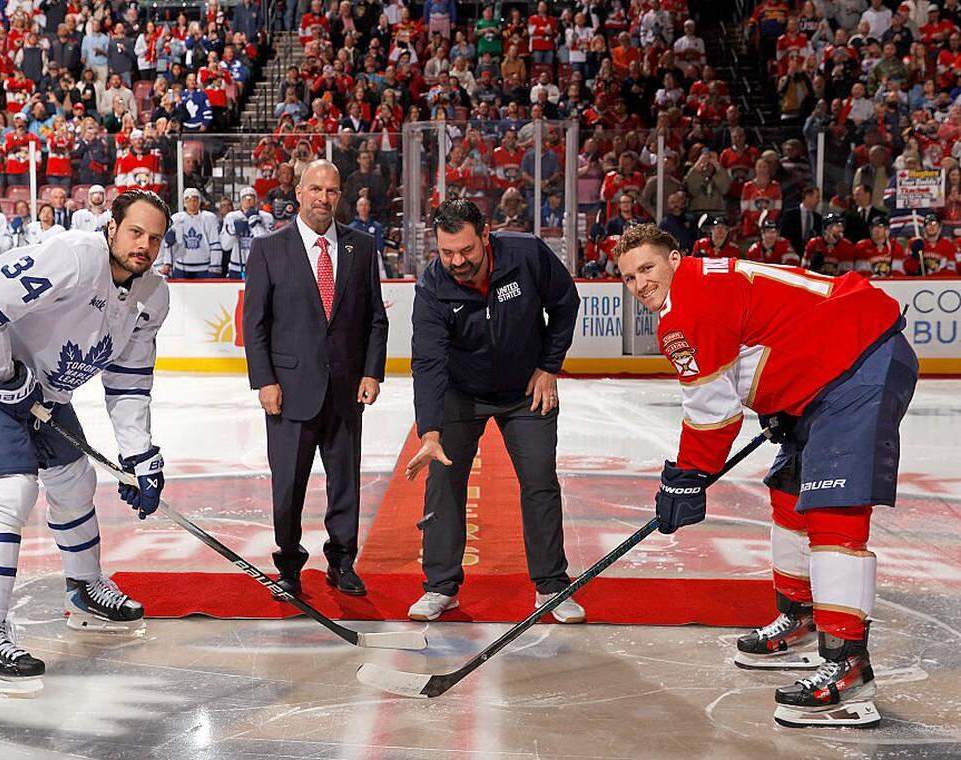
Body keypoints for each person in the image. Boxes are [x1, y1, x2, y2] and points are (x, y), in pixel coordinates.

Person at [613, 223, 917, 729]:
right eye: (628, 277)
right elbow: (771, 329)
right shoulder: (703, 283)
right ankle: (800, 619)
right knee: (788, 492)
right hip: (827, 369)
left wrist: (686, 477)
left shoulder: (687, 307)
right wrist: (780, 395)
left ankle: (848, 668)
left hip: (857, 363)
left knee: (831, 511)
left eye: (647, 267)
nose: (640, 282)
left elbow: (712, 413)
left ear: (674, 258)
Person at [0, 190, 172, 697]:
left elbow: (128, 381)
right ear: (112, 228)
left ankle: (85, 589)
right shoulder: (73, 257)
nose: (144, 245)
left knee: (74, 479)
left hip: (40, 386)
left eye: (154, 238)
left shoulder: (153, 296)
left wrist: (139, 455)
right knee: (10, 493)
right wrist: (2, 374)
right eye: (135, 232)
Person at [405, 199, 585, 624]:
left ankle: (551, 585)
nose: (456, 261)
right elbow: (428, 362)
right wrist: (430, 433)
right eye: (447, 252)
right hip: (461, 392)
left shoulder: (525, 255)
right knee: (444, 479)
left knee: (539, 478)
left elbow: (565, 303)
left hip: (526, 389)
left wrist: (549, 368)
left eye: (465, 250)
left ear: (485, 236)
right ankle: (440, 587)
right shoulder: (433, 287)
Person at [242, 159, 389, 598]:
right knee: (288, 485)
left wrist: (371, 371)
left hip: (345, 391)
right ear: (300, 193)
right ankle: (288, 565)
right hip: (287, 392)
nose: (323, 198)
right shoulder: (269, 248)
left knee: (345, 482)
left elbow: (375, 318)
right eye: (315, 189)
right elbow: (255, 325)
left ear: (339, 196)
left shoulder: (361, 248)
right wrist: (264, 381)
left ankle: (341, 562)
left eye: (332, 190)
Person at [159, 187, 223, 278]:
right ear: (184, 203)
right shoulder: (176, 219)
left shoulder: (209, 218)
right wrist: (167, 262)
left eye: (195, 200)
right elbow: (169, 245)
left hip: (203, 268)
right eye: (188, 200)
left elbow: (215, 243)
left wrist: (215, 266)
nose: (192, 203)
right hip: (181, 268)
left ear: (199, 201)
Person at [221, 186, 274, 278]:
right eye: (245, 198)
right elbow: (225, 246)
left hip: (259, 267)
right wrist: (233, 230)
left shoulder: (266, 217)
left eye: (251, 197)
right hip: (236, 267)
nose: (248, 200)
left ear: (256, 199)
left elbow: (267, 245)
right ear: (240, 201)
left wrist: (256, 224)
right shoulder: (231, 216)